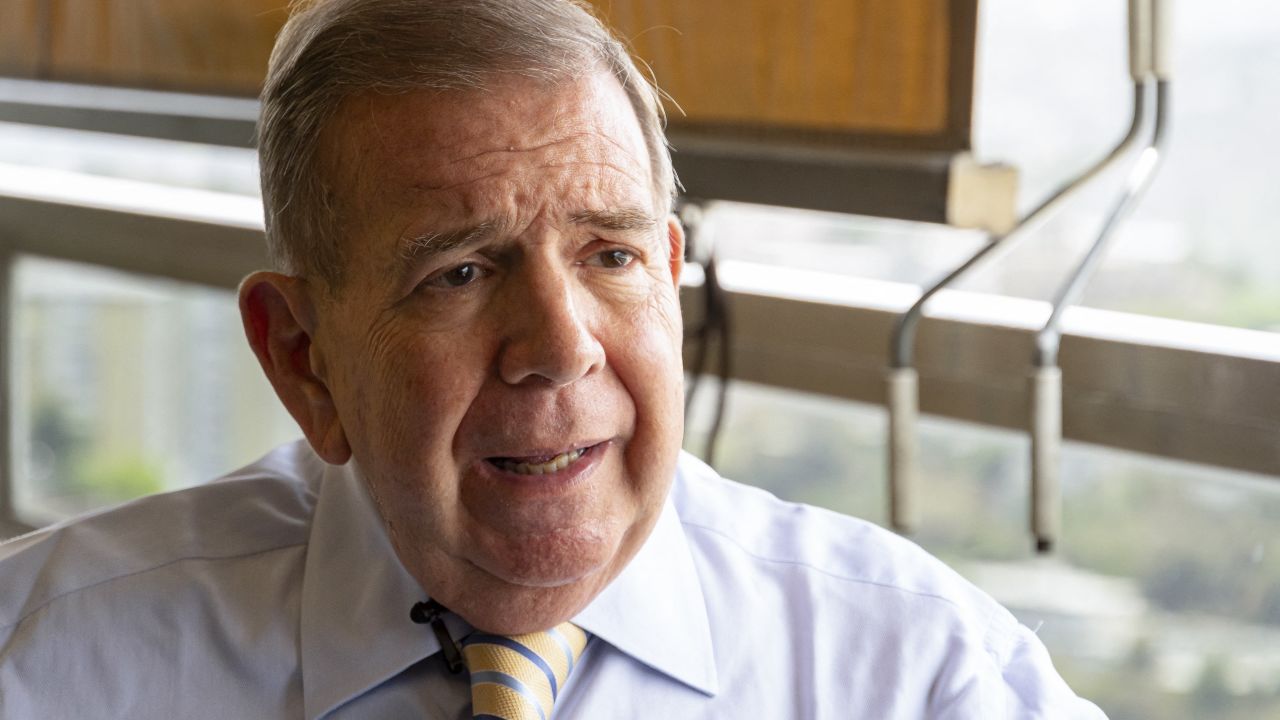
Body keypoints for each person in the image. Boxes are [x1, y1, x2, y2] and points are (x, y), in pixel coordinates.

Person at [0, 1, 1107, 717]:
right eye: (460, 273)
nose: (561, 347)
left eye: (610, 255)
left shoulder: (920, 674)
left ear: (669, 282)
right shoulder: (46, 662)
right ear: (303, 359)